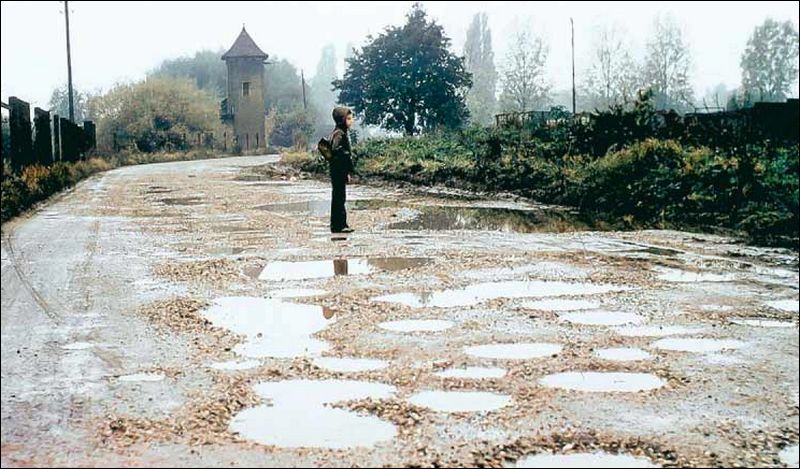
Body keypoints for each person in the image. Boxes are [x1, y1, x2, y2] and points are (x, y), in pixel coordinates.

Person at [329, 106, 356, 233]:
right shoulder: (339, 133)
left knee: (339, 197)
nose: (351, 121)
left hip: (338, 170)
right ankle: (339, 225)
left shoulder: (340, 132)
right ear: (342, 120)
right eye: (349, 118)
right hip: (338, 170)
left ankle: (338, 224)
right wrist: (346, 155)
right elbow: (336, 149)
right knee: (339, 198)